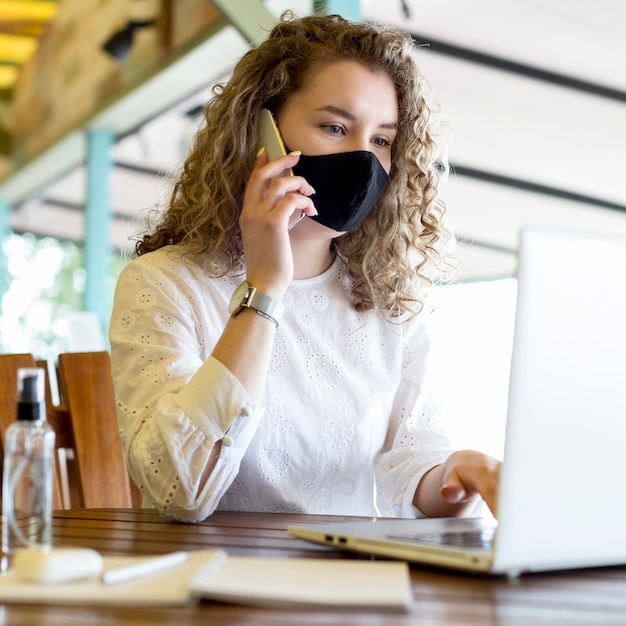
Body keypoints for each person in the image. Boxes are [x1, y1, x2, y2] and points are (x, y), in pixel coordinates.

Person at [109, 11, 500, 523]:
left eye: (381, 140)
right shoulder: (166, 284)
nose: (363, 158)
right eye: (335, 127)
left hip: (359, 585)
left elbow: (407, 469)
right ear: (261, 131)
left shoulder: (391, 302)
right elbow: (181, 490)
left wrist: (459, 473)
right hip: (222, 584)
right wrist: (265, 289)